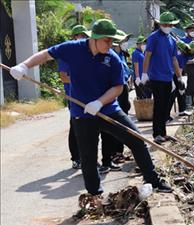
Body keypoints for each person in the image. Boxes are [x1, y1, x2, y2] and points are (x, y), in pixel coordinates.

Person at [9, 19, 172, 195]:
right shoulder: (73, 49)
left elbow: (118, 87)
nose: (110, 44)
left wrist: (100, 102)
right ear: (94, 38)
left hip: (109, 110)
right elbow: (47, 54)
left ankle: (153, 181)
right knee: (88, 156)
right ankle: (95, 194)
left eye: (112, 40)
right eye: (107, 40)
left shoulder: (113, 58)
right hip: (82, 113)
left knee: (137, 140)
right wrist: (24, 65)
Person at [142, 12, 185, 144]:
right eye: (164, 24)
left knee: (166, 107)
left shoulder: (171, 40)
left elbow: (174, 60)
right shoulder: (154, 37)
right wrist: (144, 73)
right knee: (159, 105)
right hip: (156, 77)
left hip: (168, 77)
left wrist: (179, 77)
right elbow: (148, 55)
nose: (167, 26)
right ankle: (157, 134)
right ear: (160, 24)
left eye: (169, 24)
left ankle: (163, 133)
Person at [98, 29, 134, 173]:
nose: (125, 43)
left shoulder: (121, 55)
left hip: (122, 88)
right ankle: (107, 160)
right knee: (109, 127)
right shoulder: (108, 57)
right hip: (111, 93)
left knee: (120, 125)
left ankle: (117, 153)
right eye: (123, 41)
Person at [58, 24, 90, 169]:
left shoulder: (87, 53)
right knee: (75, 125)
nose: (82, 38)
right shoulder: (66, 55)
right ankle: (76, 157)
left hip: (87, 95)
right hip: (73, 96)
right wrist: (79, 80)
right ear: (74, 37)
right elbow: (64, 77)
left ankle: (88, 158)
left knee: (89, 127)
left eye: (85, 36)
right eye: (80, 35)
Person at [181, 23, 194, 108]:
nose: (193, 31)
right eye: (191, 30)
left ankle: (192, 99)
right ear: (187, 31)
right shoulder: (184, 40)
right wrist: (189, 61)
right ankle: (187, 101)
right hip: (188, 63)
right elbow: (182, 53)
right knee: (191, 81)